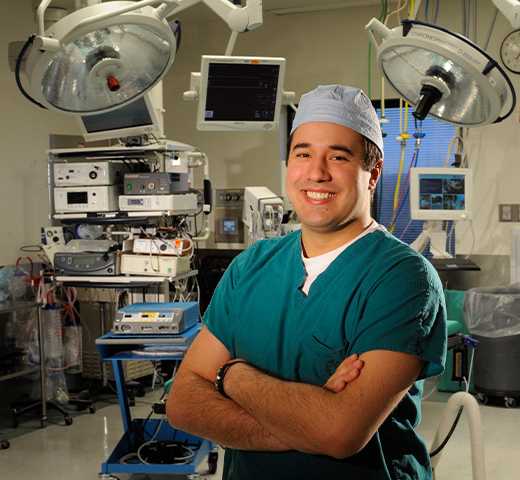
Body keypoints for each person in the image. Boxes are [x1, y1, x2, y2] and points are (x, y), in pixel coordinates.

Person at [166, 85, 447, 480]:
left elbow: (339, 433)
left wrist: (231, 375)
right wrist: (307, 423)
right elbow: (182, 404)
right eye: (303, 154)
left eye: (338, 156)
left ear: (373, 173)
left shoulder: (403, 279)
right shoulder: (252, 266)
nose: (316, 172)